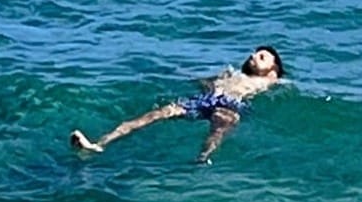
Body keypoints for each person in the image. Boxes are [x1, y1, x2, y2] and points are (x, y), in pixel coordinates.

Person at [71, 47, 285, 164]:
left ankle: (202, 159)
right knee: (154, 115)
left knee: (220, 124)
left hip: (231, 103)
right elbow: (207, 82)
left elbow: (279, 84)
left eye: (262, 57)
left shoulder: (269, 80)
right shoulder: (231, 73)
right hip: (204, 100)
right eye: (254, 53)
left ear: (273, 69)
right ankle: (99, 144)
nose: (253, 56)